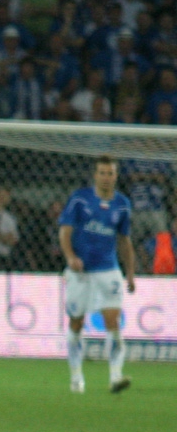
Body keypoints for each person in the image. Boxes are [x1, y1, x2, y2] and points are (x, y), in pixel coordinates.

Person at [58, 155, 136, 394]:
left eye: (110, 173)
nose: (106, 177)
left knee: (113, 322)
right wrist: (70, 257)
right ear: (95, 175)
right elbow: (65, 231)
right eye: (102, 172)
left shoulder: (122, 204)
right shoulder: (80, 199)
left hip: (108, 270)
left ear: (116, 176)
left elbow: (124, 241)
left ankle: (115, 376)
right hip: (80, 272)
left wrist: (130, 274)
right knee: (76, 322)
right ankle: (76, 377)